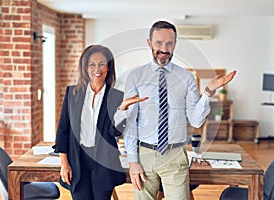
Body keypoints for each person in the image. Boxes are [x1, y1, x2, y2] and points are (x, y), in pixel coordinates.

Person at [123, 21, 236, 200]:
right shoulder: (135, 76)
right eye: (159, 43)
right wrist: (133, 161)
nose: (164, 48)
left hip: (174, 155)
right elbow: (130, 121)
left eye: (169, 43)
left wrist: (208, 93)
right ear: (149, 43)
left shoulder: (186, 78)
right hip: (143, 155)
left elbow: (196, 121)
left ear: (175, 45)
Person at [54, 44, 147, 200]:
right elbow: (63, 130)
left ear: (109, 67)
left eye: (102, 64)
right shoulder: (73, 93)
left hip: (104, 163)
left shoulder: (117, 97)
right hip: (78, 161)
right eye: (92, 64)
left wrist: (122, 110)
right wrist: (64, 163)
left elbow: (114, 132)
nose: (97, 69)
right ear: (85, 67)